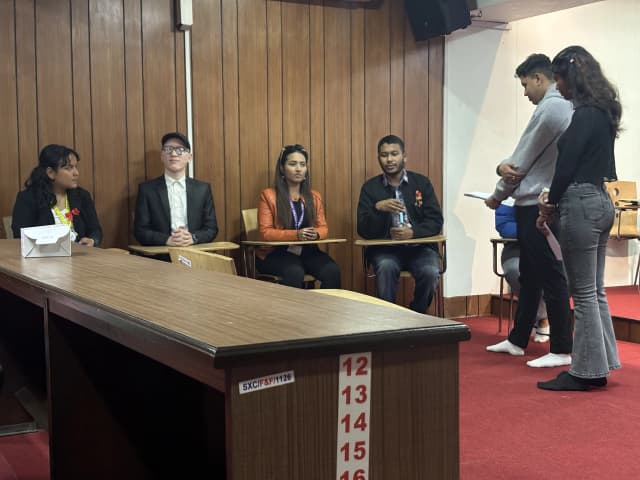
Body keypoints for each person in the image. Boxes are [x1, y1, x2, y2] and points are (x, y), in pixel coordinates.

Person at [537, 46, 622, 391]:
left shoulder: (584, 115)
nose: (557, 86)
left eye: (559, 77)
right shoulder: (603, 112)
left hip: (581, 201)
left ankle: (585, 372)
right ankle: (602, 362)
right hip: (601, 200)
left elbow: (566, 167)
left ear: (571, 77)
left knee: (583, 293)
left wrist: (550, 205)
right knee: (595, 291)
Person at [484, 54, 574, 368]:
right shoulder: (560, 106)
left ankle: (562, 347)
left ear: (539, 78)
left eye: (525, 85)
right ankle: (518, 338)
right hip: (533, 200)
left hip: (539, 204)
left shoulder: (552, 108)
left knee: (551, 276)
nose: (525, 93)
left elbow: (520, 163)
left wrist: (497, 196)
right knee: (531, 275)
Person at [357, 134, 443, 313]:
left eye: (394, 154)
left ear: (404, 156)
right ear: (378, 158)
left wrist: (414, 233)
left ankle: (417, 315)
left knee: (430, 271)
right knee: (386, 267)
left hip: (420, 248)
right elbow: (363, 229)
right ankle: (389, 320)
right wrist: (377, 209)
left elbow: (436, 221)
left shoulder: (421, 183)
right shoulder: (370, 188)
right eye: (384, 155)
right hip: (385, 249)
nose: (389, 159)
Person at [256, 144, 341, 289]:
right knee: (294, 272)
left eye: (302, 164)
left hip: (308, 252)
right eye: (292, 164)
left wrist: (316, 234)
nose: (298, 169)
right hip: (277, 254)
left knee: (332, 271)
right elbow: (266, 233)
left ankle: (325, 311)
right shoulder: (268, 195)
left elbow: (324, 229)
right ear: (282, 168)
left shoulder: (314, 196)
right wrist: (297, 235)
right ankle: (292, 312)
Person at [134, 132, 218, 247]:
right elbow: (140, 231)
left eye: (180, 149)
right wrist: (167, 240)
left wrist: (192, 238)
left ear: (189, 157)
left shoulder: (202, 189)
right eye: (168, 149)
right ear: (162, 156)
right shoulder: (147, 190)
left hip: (195, 253)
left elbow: (211, 229)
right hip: (160, 256)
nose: (173, 154)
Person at [12, 144, 102, 246]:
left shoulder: (82, 196)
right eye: (69, 168)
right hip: (43, 258)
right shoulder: (28, 198)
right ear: (51, 172)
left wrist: (93, 240)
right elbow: (20, 236)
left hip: (79, 257)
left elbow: (95, 230)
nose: (76, 173)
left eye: (76, 167)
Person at [495, 204, 550, 342]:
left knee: (567, 274)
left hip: (550, 247)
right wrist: (535, 229)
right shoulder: (511, 189)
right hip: (516, 248)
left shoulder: (553, 190)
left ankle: (532, 317)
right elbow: (504, 226)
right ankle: (542, 316)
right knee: (515, 270)